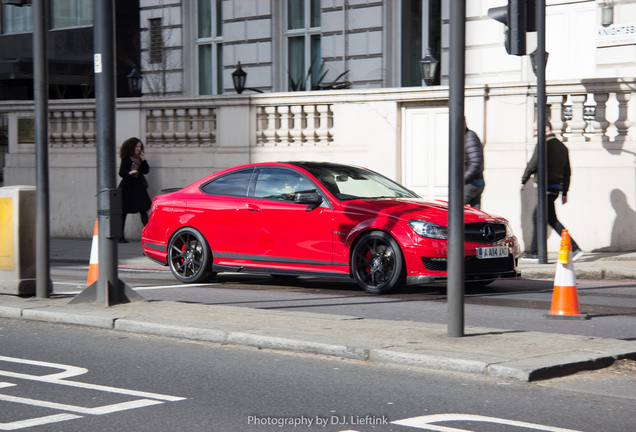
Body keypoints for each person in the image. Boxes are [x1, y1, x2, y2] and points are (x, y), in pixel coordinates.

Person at [520, 121, 584, 261]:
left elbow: (532, 164)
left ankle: (536, 252)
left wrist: (523, 180)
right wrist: (564, 192)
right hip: (555, 188)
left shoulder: (544, 144)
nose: (534, 133)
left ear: (546, 128)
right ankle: (574, 248)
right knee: (551, 219)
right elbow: (567, 172)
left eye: (536, 130)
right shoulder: (562, 147)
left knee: (537, 217)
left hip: (546, 186)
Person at [118, 137, 151, 243]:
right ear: (132, 147)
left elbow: (146, 171)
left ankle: (150, 234)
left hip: (138, 188)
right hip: (127, 188)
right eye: (137, 146)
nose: (138, 148)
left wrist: (143, 159)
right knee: (123, 212)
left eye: (140, 147)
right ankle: (120, 236)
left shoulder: (140, 159)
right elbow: (121, 172)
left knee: (143, 210)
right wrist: (129, 173)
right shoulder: (126, 158)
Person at [464, 121, 485, 209]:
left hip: (471, 183)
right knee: (476, 215)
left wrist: (463, 179)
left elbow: (476, 162)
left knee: (456, 211)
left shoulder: (469, 137)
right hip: (476, 181)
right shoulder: (468, 136)